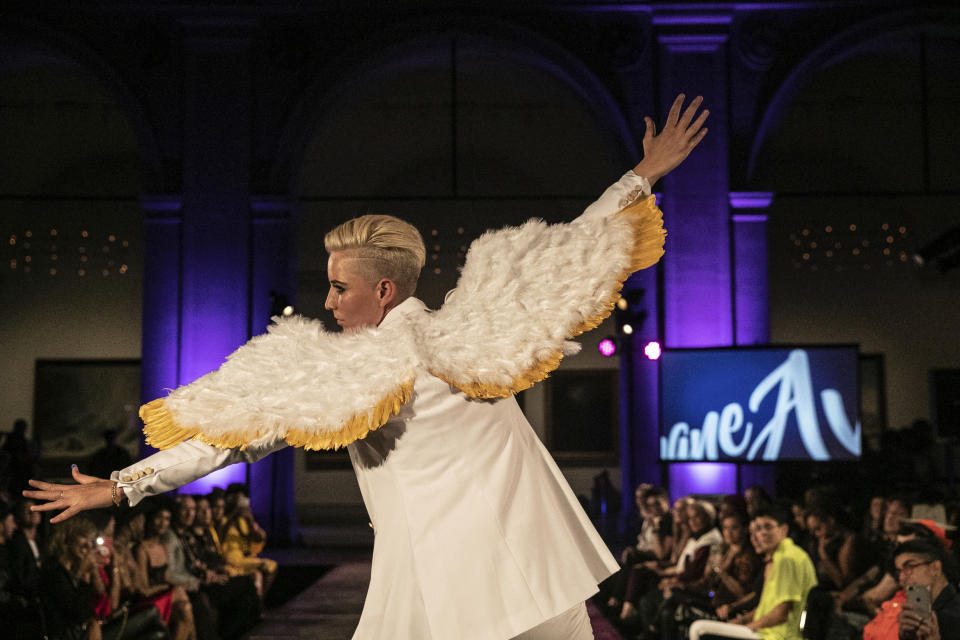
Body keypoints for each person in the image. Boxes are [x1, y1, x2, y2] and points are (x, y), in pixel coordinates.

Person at [24, 93, 709, 640]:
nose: (326, 301)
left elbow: (227, 441)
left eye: (339, 288)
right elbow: (568, 250)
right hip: (528, 563)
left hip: (453, 577)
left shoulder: (354, 369)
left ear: (385, 291)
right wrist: (640, 175)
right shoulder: (467, 330)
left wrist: (121, 488)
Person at [688, 505, 817, 640]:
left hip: (776, 635)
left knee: (699, 629)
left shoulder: (787, 559)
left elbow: (781, 614)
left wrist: (748, 626)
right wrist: (743, 620)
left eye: (768, 527)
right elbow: (764, 608)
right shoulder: (776, 559)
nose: (761, 534)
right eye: (758, 529)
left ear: (783, 529)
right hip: (766, 631)